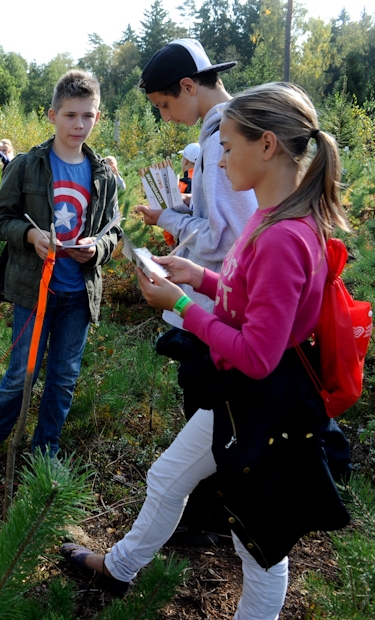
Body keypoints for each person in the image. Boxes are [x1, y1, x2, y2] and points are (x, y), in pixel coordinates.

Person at [63, 82, 352, 619]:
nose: (218, 163)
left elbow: (259, 353)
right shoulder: (272, 218)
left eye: (229, 148)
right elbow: (256, 303)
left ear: (267, 145)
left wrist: (183, 305)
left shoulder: (284, 236)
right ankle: (121, 568)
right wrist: (201, 276)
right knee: (168, 477)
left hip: (264, 405)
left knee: (258, 546)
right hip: (243, 399)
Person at [133, 39, 260, 544]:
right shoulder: (221, 134)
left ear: (188, 87)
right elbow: (215, 220)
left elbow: (230, 235)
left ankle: (209, 517)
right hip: (214, 294)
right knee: (206, 410)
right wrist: (169, 215)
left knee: (209, 411)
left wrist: (177, 239)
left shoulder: (221, 140)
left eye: (165, 105)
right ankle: (209, 511)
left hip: (219, 303)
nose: (165, 117)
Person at [0, 70, 121, 472]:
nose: (79, 125)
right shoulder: (27, 165)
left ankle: (44, 450)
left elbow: (113, 230)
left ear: (97, 117)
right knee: (22, 373)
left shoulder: (103, 174)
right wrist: (31, 235)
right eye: (70, 115)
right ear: (52, 115)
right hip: (35, 290)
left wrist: (98, 248)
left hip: (77, 295)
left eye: (87, 116)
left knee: (64, 378)